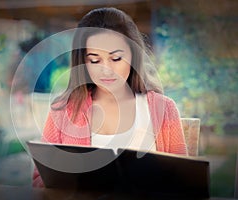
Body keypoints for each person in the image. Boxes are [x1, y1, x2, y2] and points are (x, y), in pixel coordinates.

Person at [32, 7, 187, 187]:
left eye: (116, 59)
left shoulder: (165, 109)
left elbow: (184, 179)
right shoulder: (63, 110)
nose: (106, 70)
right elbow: (39, 180)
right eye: (95, 60)